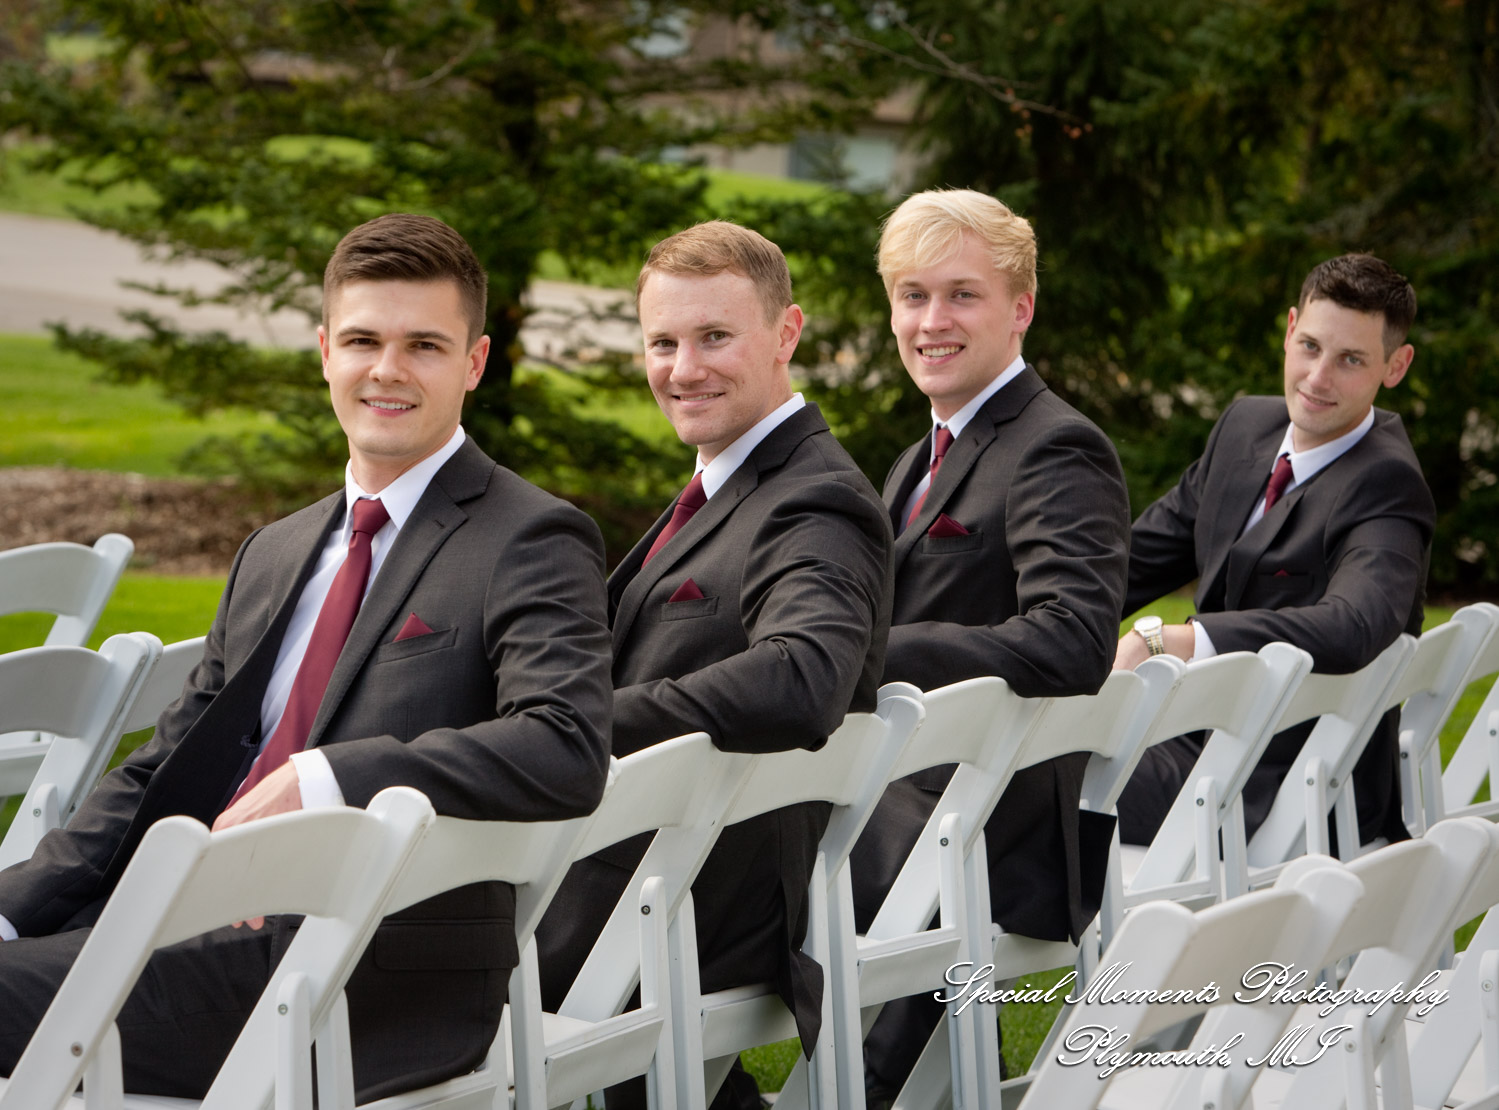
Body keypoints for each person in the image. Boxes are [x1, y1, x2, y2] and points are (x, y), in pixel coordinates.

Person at [0, 214, 615, 1100]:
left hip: (362, 965)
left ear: (474, 364)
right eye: (363, 339)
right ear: (325, 350)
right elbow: (164, 765)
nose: (387, 370)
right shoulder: (276, 551)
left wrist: (327, 777)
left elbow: (563, 745)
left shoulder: (530, 538)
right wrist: (14, 909)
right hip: (187, 929)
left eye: (424, 346)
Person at [535, 220, 893, 1110]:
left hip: (694, 897)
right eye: (662, 342)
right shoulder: (730, 481)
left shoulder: (812, 500)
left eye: (713, 338)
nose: (682, 369)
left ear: (786, 333)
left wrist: (586, 721)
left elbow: (802, 676)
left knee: (379, 956)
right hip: (646, 868)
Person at [848, 188, 1131, 1102]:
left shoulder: (1056, 447)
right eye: (911, 295)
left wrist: (872, 653)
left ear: (1021, 308)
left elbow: (1073, 638)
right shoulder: (924, 449)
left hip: (981, 825)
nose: (931, 321)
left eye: (961, 295)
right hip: (908, 799)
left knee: (681, 888)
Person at [1114, 252, 1435, 850]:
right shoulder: (1246, 426)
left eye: (1350, 360)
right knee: (1020, 756)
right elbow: (1138, 557)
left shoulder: (1387, 485)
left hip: (1289, 782)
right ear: (1289, 329)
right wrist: (1039, 611)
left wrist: (1183, 639)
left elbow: (1357, 622)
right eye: (1310, 346)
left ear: (1396, 366)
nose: (1317, 378)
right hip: (1193, 737)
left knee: (1032, 777)